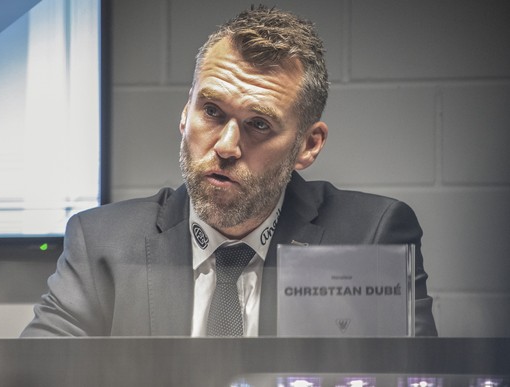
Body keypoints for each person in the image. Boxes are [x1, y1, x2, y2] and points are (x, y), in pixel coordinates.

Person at [22, 6, 437, 337]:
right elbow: (36, 376)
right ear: (186, 113)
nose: (225, 146)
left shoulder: (369, 238)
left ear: (308, 145)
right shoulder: (102, 244)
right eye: (212, 112)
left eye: (259, 124)